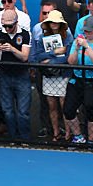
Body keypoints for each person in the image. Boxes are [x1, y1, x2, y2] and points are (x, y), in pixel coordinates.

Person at [65, 16, 93, 144]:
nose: (87, 33)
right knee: (68, 110)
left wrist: (87, 46)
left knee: (91, 110)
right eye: (85, 31)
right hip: (77, 79)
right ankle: (78, 136)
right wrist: (77, 48)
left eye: (89, 31)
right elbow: (71, 62)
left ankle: (91, 140)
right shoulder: (77, 42)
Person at [31, 9, 72, 141]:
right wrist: (55, 52)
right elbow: (38, 56)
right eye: (51, 22)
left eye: (56, 22)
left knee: (64, 106)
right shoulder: (43, 37)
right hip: (48, 76)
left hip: (63, 75)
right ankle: (56, 133)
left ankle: (68, 133)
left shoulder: (67, 37)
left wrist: (51, 61)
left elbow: (68, 57)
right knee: (52, 106)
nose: (54, 24)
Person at [0, 10, 31, 140]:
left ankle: (25, 138)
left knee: (23, 112)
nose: (7, 29)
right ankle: (13, 138)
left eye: (10, 26)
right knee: (7, 111)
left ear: (16, 23)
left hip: (22, 76)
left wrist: (12, 49)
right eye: (5, 26)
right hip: (5, 75)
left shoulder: (25, 34)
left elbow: (25, 57)